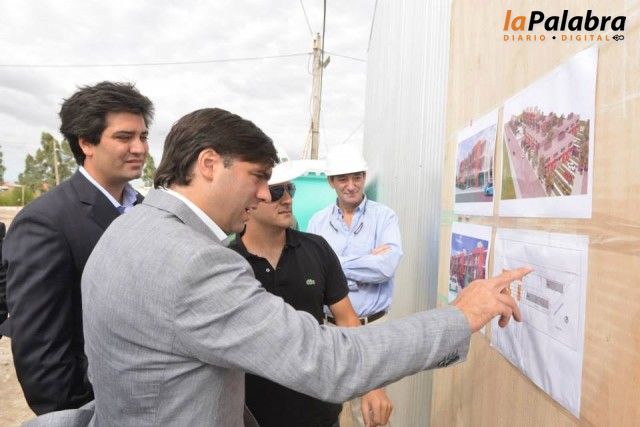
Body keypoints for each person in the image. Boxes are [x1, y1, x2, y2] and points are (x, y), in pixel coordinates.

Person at [81, 107, 529, 426]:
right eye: (259, 178)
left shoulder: (128, 228)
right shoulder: (195, 261)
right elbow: (329, 361)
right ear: (210, 164)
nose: (266, 195)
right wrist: (460, 316)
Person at [2, 81, 153, 414]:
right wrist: (79, 414)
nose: (139, 148)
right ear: (86, 143)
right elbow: (41, 351)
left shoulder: (148, 211)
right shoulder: (46, 221)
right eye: (124, 137)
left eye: (143, 136)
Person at [229, 160, 392, 427]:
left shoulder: (317, 249)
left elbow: (347, 320)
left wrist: (372, 386)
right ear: (251, 197)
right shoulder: (227, 262)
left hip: (318, 412)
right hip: (252, 415)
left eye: (290, 190)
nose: (287, 200)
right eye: (277, 191)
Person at [306, 144, 402, 425]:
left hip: (373, 328)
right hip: (331, 330)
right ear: (331, 182)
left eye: (357, 177)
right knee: (328, 410)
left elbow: (385, 267)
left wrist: (333, 264)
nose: (351, 186)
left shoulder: (384, 217)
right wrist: (365, 260)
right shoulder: (318, 222)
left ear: (364, 177)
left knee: (371, 413)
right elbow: (314, 272)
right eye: (343, 179)